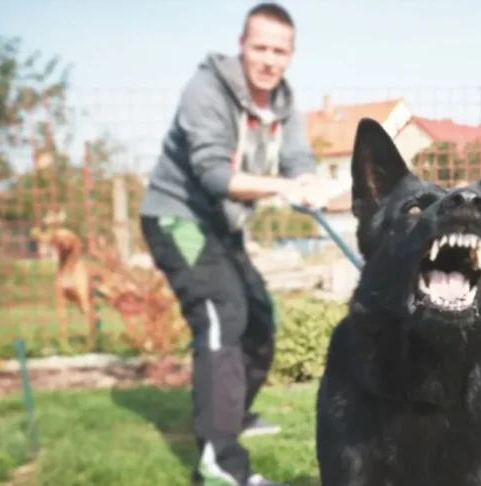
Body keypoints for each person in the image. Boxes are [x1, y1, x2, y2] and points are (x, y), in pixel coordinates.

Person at [139, 3, 323, 485]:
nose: (268, 59)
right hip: (177, 218)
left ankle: (231, 414)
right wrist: (284, 189)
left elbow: (299, 158)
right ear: (242, 46)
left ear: (291, 54)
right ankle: (220, 463)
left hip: (222, 228)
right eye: (260, 47)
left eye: (279, 50)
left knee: (260, 318)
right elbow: (214, 174)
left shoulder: (283, 104)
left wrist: (306, 181)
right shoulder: (206, 90)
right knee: (224, 314)